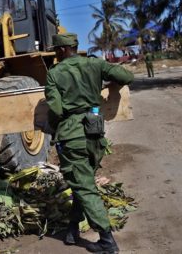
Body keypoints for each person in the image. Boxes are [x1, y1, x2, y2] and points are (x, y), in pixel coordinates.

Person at [44, 33, 134, 253]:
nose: (55, 53)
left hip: (72, 135)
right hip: (94, 133)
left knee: (84, 186)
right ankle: (73, 230)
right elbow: (126, 77)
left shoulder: (54, 74)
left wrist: (58, 123)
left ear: (63, 50)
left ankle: (107, 241)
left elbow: (55, 109)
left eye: (56, 50)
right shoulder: (95, 64)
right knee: (82, 183)